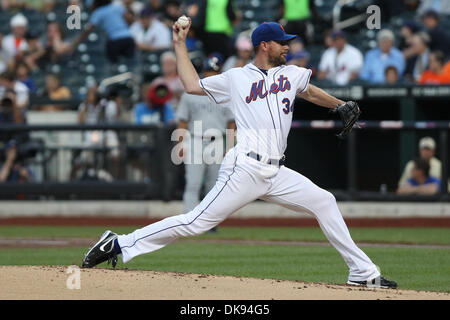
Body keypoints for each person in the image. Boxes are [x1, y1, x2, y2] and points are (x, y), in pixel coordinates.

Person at [81, 20, 397, 289]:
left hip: (276, 173)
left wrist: (339, 104)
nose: (287, 47)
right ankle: (119, 242)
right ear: (264, 45)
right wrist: (180, 44)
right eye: (281, 43)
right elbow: (191, 84)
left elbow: (309, 90)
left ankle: (362, 273)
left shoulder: (291, 73)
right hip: (244, 168)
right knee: (195, 222)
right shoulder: (236, 78)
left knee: (324, 201)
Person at [176, 54, 236, 232]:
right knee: (193, 183)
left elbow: (231, 123)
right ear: (203, 72)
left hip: (217, 141)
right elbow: (182, 121)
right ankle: (188, 222)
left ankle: (210, 223)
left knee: (213, 185)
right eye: (209, 71)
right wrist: (180, 144)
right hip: (195, 139)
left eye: (214, 72)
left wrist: (229, 145)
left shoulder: (226, 94)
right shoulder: (191, 93)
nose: (211, 75)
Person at [68, 0, 136, 64]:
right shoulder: (117, 7)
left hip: (115, 42)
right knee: (130, 63)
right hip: (128, 39)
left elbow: (88, 30)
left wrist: (75, 43)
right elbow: (130, 20)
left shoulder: (98, 12)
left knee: (115, 65)